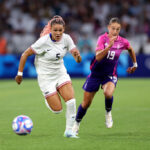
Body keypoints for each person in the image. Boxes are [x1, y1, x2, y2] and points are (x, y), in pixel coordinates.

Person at [15, 15, 82, 138]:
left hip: (60, 73)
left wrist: (77, 57)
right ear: (50, 30)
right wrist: (19, 74)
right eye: (55, 30)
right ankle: (48, 97)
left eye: (60, 30)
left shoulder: (67, 39)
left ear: (64, 30)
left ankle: (69, 131)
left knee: (71, 101)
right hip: (46, 77)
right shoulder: (43, 41)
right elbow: (25, 54)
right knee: (58, 110)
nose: (58, 33)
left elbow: (77, 59)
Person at [72, 17, 138, 135]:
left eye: (118, 29)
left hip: (110, 74)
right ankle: (76, 123)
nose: (115, 31)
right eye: (113, 28)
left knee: (108, 93)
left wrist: (135, 64)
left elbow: (130, 49)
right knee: (86, 103)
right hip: (95, 74)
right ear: (108, 28)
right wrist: (108, 47)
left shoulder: (123, 41)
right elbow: (98, 57)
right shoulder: (102, 39)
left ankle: (108, 113)